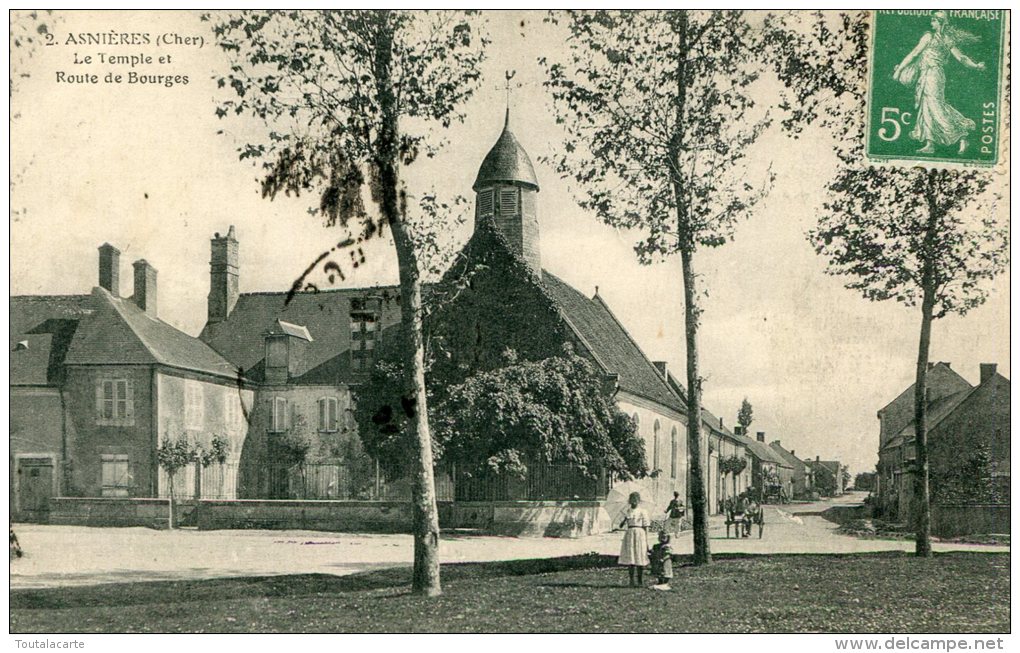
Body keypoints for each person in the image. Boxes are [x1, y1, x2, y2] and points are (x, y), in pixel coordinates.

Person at [893, 10, 986, 154]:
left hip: (933, 74)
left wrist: (899, 70)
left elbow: (915, 53)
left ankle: (961, 136)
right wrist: (976, 66)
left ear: (940, 22)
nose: (931, 23)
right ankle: (930, 144)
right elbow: (961, 58)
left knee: (935, 106)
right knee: (928, 106)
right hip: (930, 74)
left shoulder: (930, 37)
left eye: (934, 20)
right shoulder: (944, 38)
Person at [618, 491, 649, 587]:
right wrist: (625, 519)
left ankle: (640, 580)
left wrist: (646, 540)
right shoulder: (627, 511)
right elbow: (621, 525)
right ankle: (631, 580)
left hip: (639, 533)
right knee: (631, 556)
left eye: (636, 500)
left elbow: (646, 526)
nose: (634, 502)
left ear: (639, 501)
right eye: (632, 500)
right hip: (630, 533)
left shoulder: (642, 511)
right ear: (629, 501)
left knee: (639, 555)